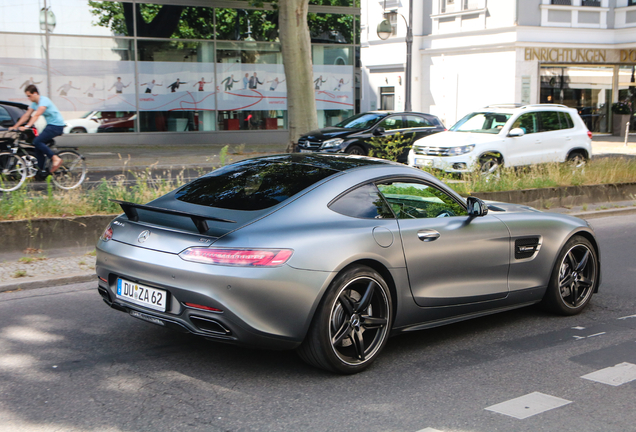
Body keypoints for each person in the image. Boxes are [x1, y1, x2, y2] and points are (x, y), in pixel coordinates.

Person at [9, 85, 63, 175]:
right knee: (37, 147)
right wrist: (15, 126)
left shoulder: (44, 101)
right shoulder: (34, 104)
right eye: (27, 96)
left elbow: (37, 115)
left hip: (57, 126)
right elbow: (26, 115)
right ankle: (41, 172)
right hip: (50, 125)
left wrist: (27, 126)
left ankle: (55, 158)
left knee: (37, 141)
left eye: (29, 96)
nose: (28, 98)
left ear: (35, 93)